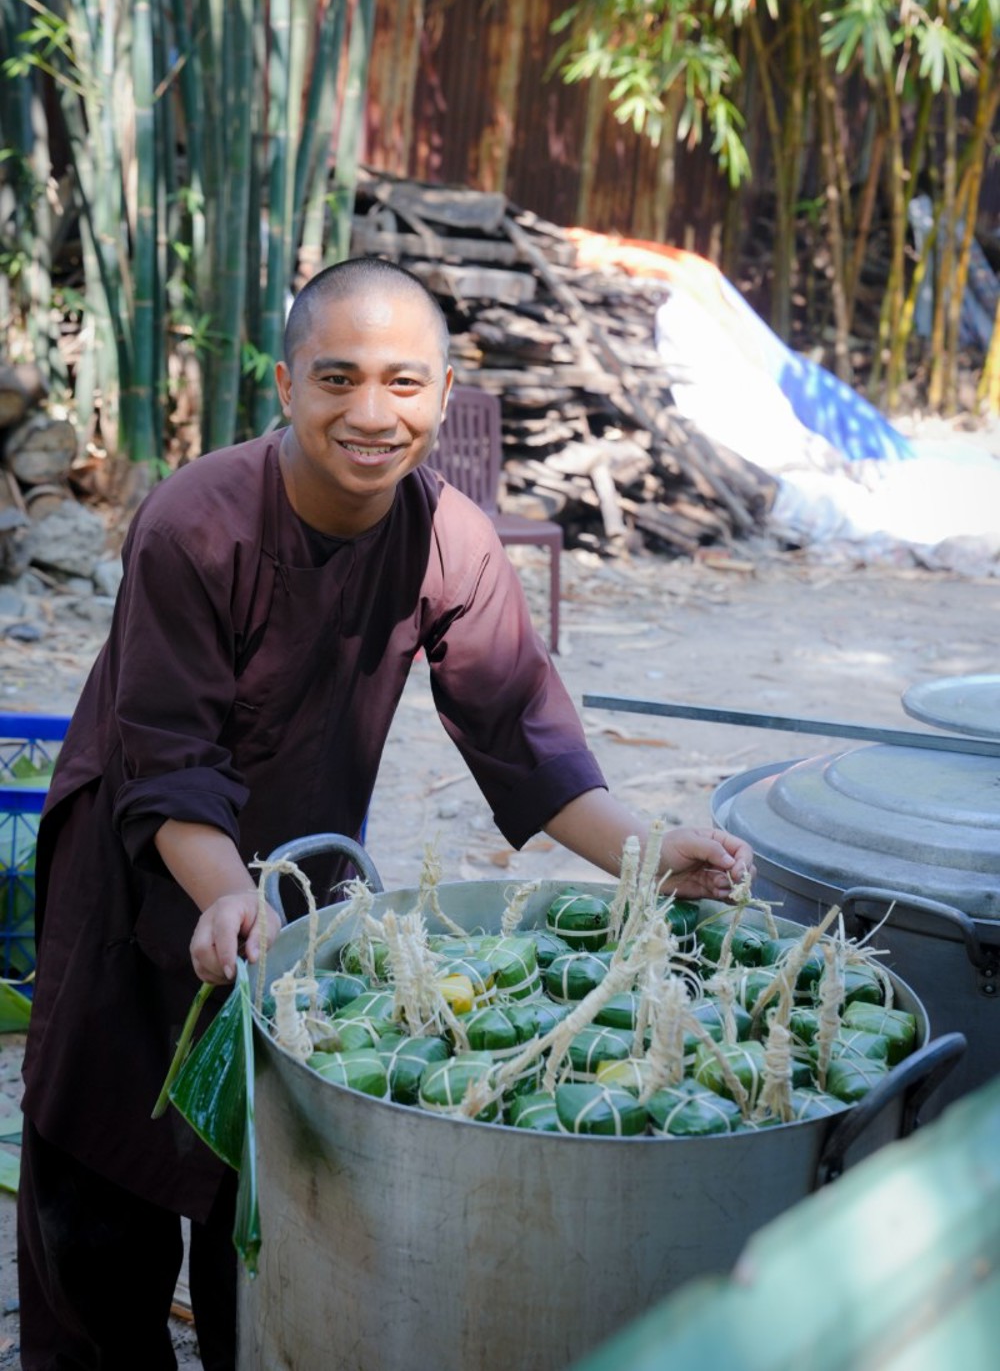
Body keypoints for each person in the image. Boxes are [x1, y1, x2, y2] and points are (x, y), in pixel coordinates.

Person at [17, 256, 755, 1369]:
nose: (372, 413)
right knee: (98, 1185)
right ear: (285, 385)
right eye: (338, 378)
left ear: (444, 394)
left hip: (294, 888)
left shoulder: (452, 538)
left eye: (404, 382)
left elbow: (524, 735)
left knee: (263, 1189)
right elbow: (169, 759)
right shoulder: (191, 523)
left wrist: (648, 853)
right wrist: (223, 892)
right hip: (136, 869)